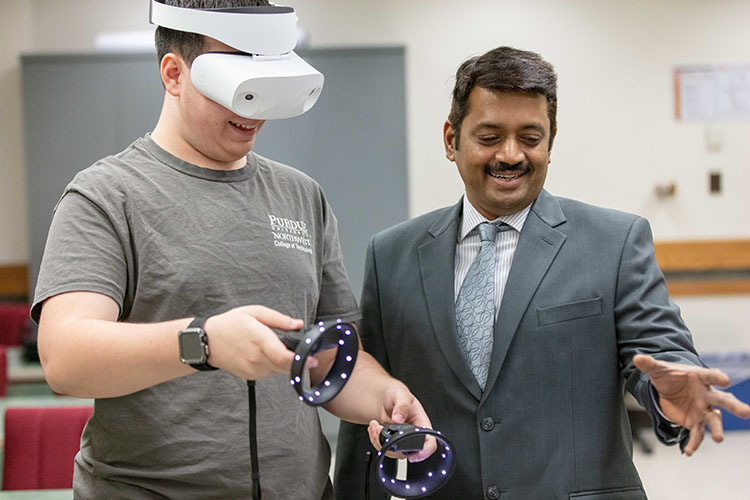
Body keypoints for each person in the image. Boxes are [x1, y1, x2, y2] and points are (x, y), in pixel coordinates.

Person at [32, 1, 432, 499]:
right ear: (174, 74)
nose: (252, 112)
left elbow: (330, 359)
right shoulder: (107, 196)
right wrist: (204, 342)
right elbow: (65, 358)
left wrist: (387, 397)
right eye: (237, 87)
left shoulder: (300, 196)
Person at [334, 46, 750, 499]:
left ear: (550, 142)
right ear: (451, 139)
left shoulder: (614, 242)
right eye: (489, 136)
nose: (510, 155)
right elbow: (366, 400)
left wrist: (670, 392)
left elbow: (660, 349)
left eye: (530, 137)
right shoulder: (391, 254)